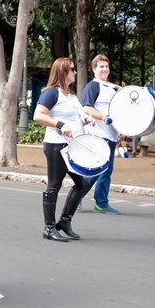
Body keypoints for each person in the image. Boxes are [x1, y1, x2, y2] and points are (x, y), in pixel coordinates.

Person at [33, 57, 91, 242]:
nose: (75, 72)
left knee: (82, 184)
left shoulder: (71, 96)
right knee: (54, 186)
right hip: (56, 145)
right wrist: (60, 124)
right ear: (62, 72)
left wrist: (86, 119)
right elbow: (38, 115)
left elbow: (78, 115)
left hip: (73, 146)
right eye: (72, 69)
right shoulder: (51, 93)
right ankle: (49, 228)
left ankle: (65, 221)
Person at [80, 54, 121, 214]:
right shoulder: (92, 86)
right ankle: (76, 196)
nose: (105, 69)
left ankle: (101, 203)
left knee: (106, 171)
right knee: (97, 169)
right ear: (94, 69)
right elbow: (86, 107)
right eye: (101, 66)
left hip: (111, 135)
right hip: (97, 134)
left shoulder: (112, 88)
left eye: (106, 66)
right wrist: (103, 117)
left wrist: (120, 130)